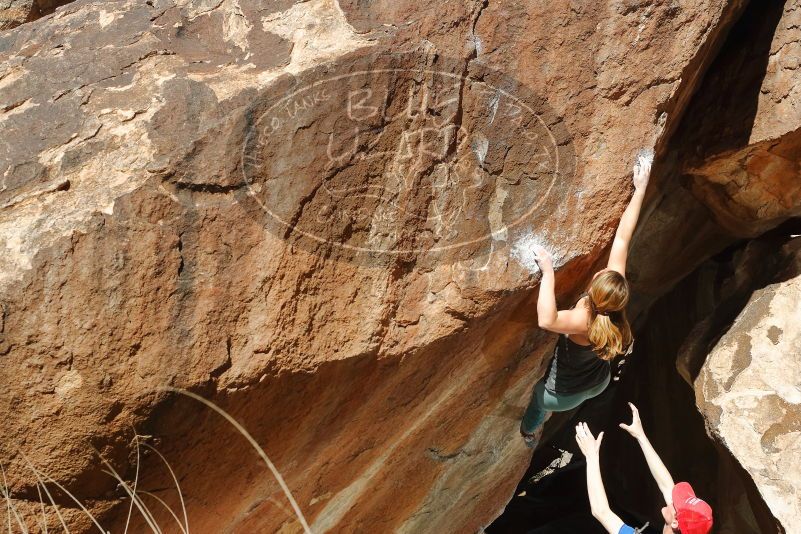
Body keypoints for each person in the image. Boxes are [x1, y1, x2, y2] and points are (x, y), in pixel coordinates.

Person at [520, 152, 651, 447]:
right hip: (597, 383)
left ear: (594, 288)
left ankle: (529, 433)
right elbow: (622, 238)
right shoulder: (614, 306)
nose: (605, 268)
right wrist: (640, 189)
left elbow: (546, 320)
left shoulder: (582, 319)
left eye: (602, 272)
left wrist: (549, 272)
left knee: (537, 404)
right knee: (568, 396)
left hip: (558, 396)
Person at [574, 404, 714, 534]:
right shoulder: (683, 526)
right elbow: (666, 485)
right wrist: (640, 436)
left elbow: (601, 511)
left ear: (675, 522)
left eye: (677, 502)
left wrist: (591, 456)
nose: (673, 498)